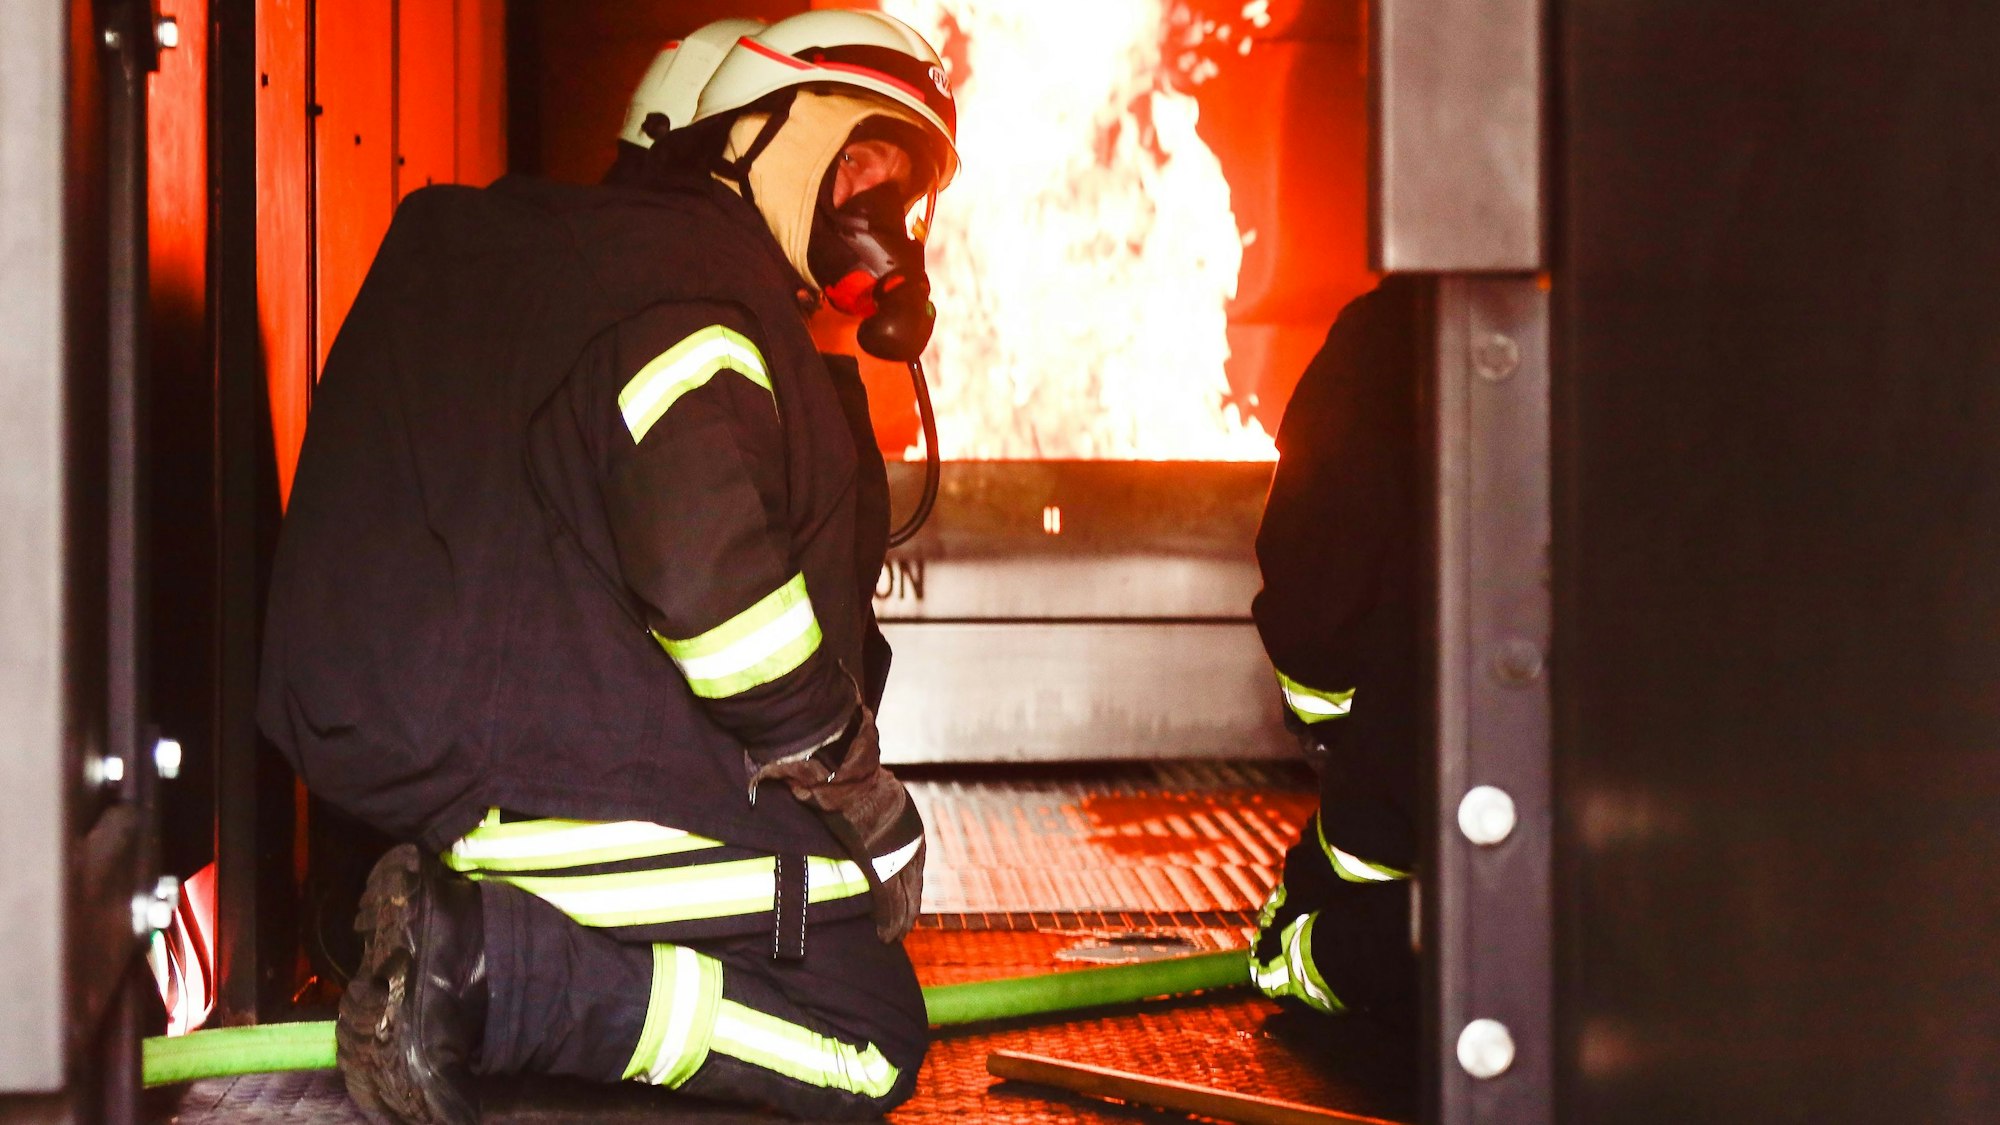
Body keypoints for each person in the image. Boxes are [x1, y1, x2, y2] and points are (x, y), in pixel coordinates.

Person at [256, 11, 960, 1122]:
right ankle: (490, 973)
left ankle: (471, 957)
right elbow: (710, 577)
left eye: (899, 185)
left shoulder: (546, 260)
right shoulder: (684, 291)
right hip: (539, 798)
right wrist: (852, 783)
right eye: (861, 156)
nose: (878, 205)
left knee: (809, 917)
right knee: (863, 1032)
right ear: (744, 130)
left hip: (419, 796)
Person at [1247, 276, 1429, 1024]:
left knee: (1310, 946)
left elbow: (1312, 563)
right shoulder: (1686, 331)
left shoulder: (1387, 341)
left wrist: (1332, 729)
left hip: (1411, 780)